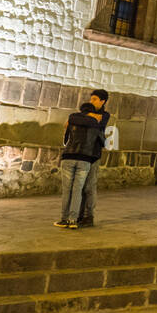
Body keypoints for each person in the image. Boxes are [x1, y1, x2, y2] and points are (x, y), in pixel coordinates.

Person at [57, 101, 107, 229]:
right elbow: (103, 142)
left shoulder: (72, 119)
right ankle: (73, 220)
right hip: (85, 159)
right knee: (78, 190)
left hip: (68, 157)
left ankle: (64, 219)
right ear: (91, 112)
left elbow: (65, 140)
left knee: (67, 190)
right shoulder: (95, 124)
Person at [76, 90, 111, 228]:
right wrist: (90, 115)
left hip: (94, 154)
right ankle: (78, 214)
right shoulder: (85, 113)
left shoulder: (105, 115)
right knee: (80, 186)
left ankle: (88, 215)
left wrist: (88, 116)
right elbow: (74, 118)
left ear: (103, 101)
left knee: (90, 186)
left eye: (95, 99)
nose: (92, 102)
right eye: (91, 99)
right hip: (81, 153)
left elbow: (98, 124)